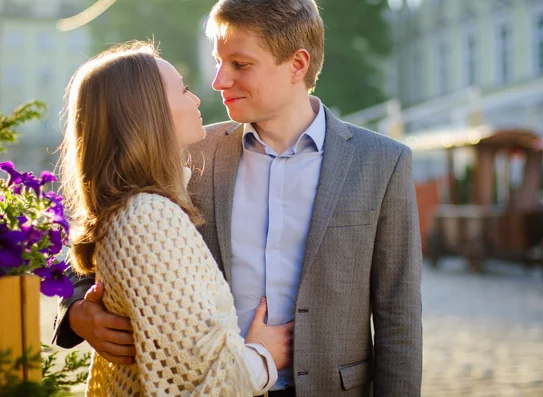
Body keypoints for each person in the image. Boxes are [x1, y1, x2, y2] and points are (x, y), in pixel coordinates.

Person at [55, 0, 423, 395]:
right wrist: (77, 314)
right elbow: (103, 235)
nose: (218, 80)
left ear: (297, 64)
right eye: (218, 60)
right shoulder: (186, 148)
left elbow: (398, 316)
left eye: (240, 64)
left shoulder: (382, 161)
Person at [56, 41, 288, 396]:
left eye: (240, 63)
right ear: (148, 112)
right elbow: (195, 381)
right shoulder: (148, 215)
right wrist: (263, 354)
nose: (200, 97)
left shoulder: (133, 205)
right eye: (183, 89)